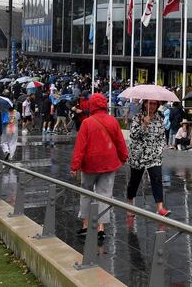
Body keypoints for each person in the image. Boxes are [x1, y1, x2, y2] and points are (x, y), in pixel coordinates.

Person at [70, 93, 129, 245]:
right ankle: (101, 228)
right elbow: (120, 142)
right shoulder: (113, 121)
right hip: (109, 163)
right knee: (105, 195)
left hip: (90, 164)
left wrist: (75, 166)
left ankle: (85, 224)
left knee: (86, 193)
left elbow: (80, 147)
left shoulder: (87, 122)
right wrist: (123, 157)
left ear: (92, 105)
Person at [125, 100, 171, 217]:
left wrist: (160, 149)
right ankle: (130, 204)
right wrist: (144, 125)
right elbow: (133, 135)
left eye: (154, 104)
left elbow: (162, 136)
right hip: (138, 155)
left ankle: (160, 207)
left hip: (154, 155)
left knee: (157, 179)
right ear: (144, 104)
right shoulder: (137, 117)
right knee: (134, 181)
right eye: (149, 103)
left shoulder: (159, 119)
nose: (151, 106)